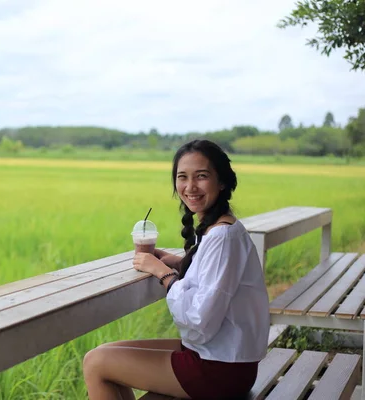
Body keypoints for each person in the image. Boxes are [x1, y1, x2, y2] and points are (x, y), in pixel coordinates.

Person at [83, 139, 270, 400]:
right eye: (182, 177)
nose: (190, 187)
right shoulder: (224, 229)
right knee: (105, 352)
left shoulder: (222, 236)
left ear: (223, 181)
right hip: (225, 357)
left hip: (220, 369)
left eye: (201, 176)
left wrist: (164, 273)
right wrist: (179, 262)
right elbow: (215, 280)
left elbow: (200, 319)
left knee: (96, 363)